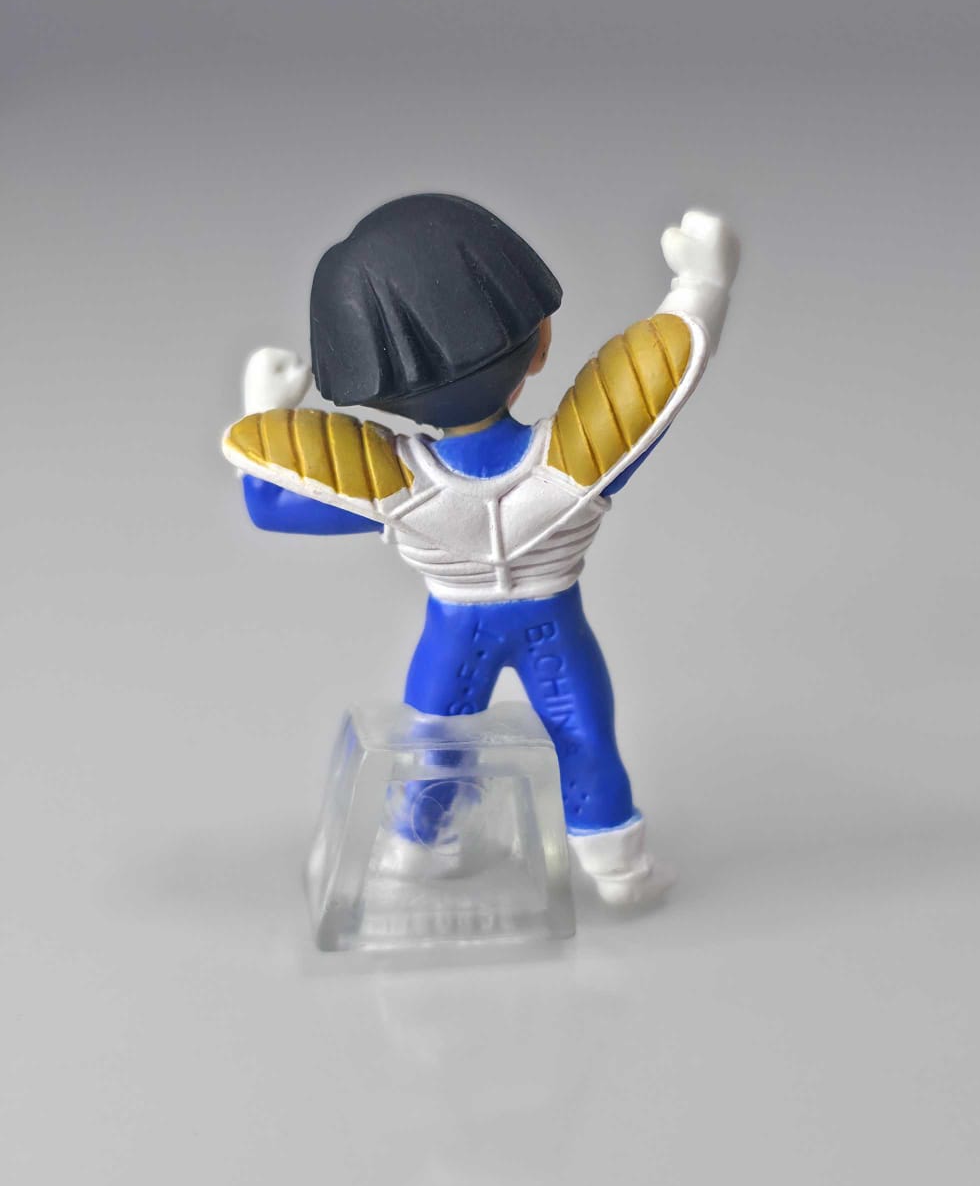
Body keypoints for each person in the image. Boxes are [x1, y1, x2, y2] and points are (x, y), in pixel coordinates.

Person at [222, 194, 740, 904]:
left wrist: (265, 412)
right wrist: (703, 283)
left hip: (454, 633)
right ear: (541, 345)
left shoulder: (393, 483)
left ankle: (416, 847)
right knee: (581, 736)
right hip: (554, 626)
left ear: (380, 397)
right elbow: (664, 376)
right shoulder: (576, 459)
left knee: (434, 741)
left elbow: (269, 502)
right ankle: (617, 867)